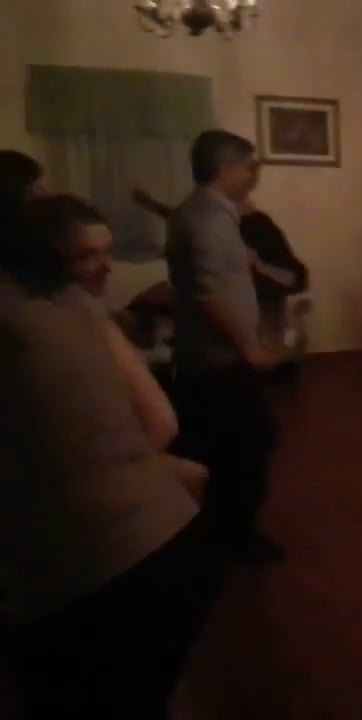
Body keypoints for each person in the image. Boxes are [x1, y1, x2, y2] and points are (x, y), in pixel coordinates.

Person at [0, 195, 222, 718]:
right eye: (86, 255)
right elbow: (162, 423)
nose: (103, 266)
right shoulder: (81, 306)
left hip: (87, 568)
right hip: (176, 541)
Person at [166, 129, 286, 564]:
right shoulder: (210, 219)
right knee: (247, 448)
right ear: (226, 168)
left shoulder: (197, 211)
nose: (255, 174)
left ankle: (217, 533)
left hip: (205, 358)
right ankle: (232, 538)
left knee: (221, 448)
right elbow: (210, 293)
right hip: (219, 361)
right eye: (250, 166)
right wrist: (249, 346)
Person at [132, 188, 310, 350]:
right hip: (222, 313)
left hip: (257, 317)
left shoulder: (259, 226)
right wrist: (150, 204)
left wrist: (260, 266)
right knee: (162, 294)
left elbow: (297, 278)